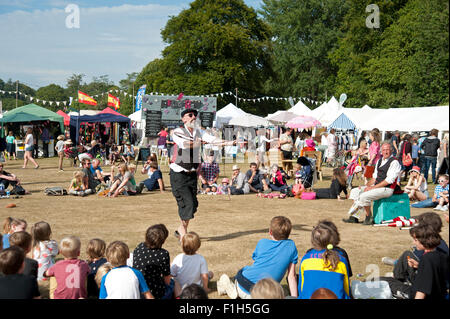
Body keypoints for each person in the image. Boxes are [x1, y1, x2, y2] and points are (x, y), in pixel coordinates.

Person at [169, 108, 235, 240]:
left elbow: (212, 139)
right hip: (179, 174)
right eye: (190, 115)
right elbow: (185, 144)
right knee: (187, 204)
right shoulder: (177, 132)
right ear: (184, 119)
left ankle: (180, 230)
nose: (194, 117)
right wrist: (202, 141)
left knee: (193, 204)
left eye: (195, 115)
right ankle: (183, 236)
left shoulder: (199, 132)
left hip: (192, 174)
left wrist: (228, 142)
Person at [217, 216, 298, 299]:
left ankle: (234, 290)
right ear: (288, 233)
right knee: (281, 293)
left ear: (270, 232)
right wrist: (295, 297)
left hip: (243, 280)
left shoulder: (262, 242)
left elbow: (256, 260)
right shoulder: (291, 246)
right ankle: (233, 289)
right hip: (261, 292)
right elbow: (291, 276)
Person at [378, 223, 449, 299]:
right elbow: (434, 274)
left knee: (379, 280)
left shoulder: (427, 259)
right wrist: (419, 266)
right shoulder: (442, 256)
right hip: (439, 293)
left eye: (416, 240)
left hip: (414, 293)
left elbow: (422, 291)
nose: (414, 243)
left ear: (424, 241)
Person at [343, 142, 402, 225]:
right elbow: (374, 178)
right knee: (355, 191)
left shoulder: (394, 162)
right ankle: (354, 217)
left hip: (387, 189)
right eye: (384, 150)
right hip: (377, 187)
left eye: (387, 150)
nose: (385, 152)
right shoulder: (379, 161)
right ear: (381, 151)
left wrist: (372, 188)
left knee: (364, 196)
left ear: (391, 151)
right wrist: (366, 186)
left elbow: (389, 181)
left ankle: (369, 217)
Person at [297, 223, 351, 299]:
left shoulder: (306, 259)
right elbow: (346, 290)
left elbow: (301, 290)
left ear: (313, 241)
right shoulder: (341, 260)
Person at [133, 224, 174, 299]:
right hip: (156, 292)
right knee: (173, 282)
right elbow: (167, 279)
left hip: (138, 289)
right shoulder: (163, 254)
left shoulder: (139, 247)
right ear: (163, 240)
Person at [170, 232, 213, 297]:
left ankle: (178, 295)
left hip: (180, 287)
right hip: (196, 288)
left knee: (172, 268)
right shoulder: (201, 259)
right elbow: (204, 276)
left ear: (182, 245)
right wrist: (205, 288)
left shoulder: (178, 257)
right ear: (198, 246)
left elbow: (171, 274)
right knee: (210, 273)